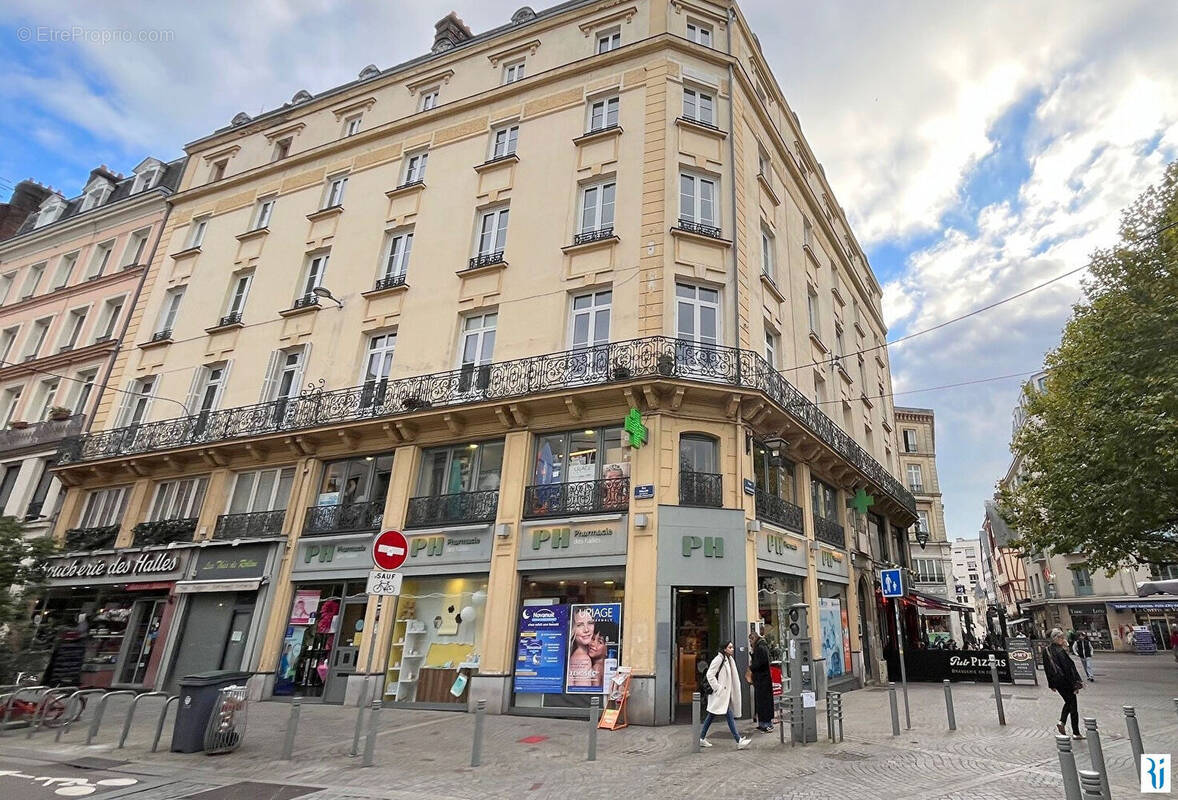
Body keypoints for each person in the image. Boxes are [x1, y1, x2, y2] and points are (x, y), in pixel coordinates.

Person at [698, 641, 751, 750]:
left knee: (711, 715)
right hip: (720, 694)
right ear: (724, 649)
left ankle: (701, 738)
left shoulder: (728, 659)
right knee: (728, 715)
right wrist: (718, 688)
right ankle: (738, 740)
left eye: (732, 647)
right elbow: (710, 674)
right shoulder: (719, 659)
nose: (732, 649)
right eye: (730, 647)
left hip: (723, 694)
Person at [1044, 627, 1084, 739]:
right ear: (1055, 638)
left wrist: (1051, 684)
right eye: (1061, 637)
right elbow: (1068, 669)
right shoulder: (1060, 651)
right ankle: (1075, 732)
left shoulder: (1046, 650)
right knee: (1073, 706)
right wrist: (1075, 684)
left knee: (1069, 702)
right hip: (1066, 681)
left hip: (1057, 682)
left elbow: (1047, 669)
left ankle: (1063, 723)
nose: (1063, 639)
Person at [748, 629, 773, 733]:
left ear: (754, 638)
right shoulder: (760, 646)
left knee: (763, 702)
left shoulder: (760, 647)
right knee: (761, 702)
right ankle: (762, 723)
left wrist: (752, 667)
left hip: (763, 680)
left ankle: (766, 724)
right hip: (761, 679)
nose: (750, 643)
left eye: (750, 640)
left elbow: (761, 663)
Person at [566, 608, 597, 687]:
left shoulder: (576, 655)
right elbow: (583, 694)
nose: (586, 630)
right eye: (579, 625)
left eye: (590, 623)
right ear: (572, 629)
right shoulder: (583, 659)